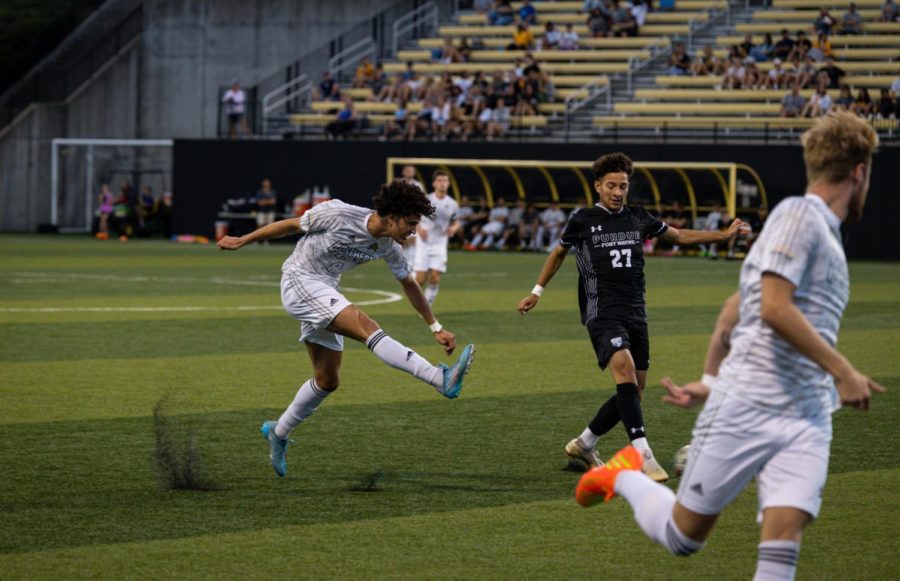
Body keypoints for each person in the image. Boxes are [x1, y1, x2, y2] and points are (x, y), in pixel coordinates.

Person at [575, 112, 884, 581]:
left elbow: (736, 306)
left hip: (807, 417)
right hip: (747, 406)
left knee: (780, 560)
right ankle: (622, 474)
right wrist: (842, 370)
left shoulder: (822, 230)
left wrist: (708, 378)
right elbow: (774, 308)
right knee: (683, 537)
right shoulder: (800, 216)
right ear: (860, 172)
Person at [217, 180, 476, 477]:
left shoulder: (388, 246)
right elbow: (291, 226)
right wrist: (242, 240)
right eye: (410, 223)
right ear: (391, 216)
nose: (413, 231)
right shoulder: (338, 214)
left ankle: (280, 431)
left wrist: (435, 327)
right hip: (299, 280)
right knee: (368, 327)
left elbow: (409, 284)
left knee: (327, 380)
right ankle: (439, 378)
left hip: (325, 289)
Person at [516, 153, 749, 482]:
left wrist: (724, 236)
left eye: (622, 186)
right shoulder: (583, 220)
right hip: (602, 311)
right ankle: (642, 453)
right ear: (597, 186)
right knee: (623, 369)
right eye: (611, 185)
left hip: (636, 312)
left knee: (634, 390)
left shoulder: (638, 217)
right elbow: (558, 253)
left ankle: (584, 444)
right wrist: (536, 291)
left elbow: (679, 236)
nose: (617, 191)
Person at [415, 170, 460, 306]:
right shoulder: (426, 200)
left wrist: (453, 228)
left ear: (449, 184)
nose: (442, 183)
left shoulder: (452, 204)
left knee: (435, 277)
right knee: (420, 280)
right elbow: (414, 216)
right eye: (439, 180)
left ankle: (427, 305)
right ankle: (412, 277)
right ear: (434, 183)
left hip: (440, 243)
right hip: (423, 243)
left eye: (445, 181)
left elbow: (456, 221)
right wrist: (419, 228)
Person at [400, 165, 425, 268]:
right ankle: (404, 262)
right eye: (407, 170)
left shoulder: (418, 185)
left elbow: (422, 201)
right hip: (402, 215)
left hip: (414, 215)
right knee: (403, 239)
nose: (409, 172)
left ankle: (413, 264)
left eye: (411, 171)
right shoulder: (399, 184)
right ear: (403, 172)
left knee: (414, 239)